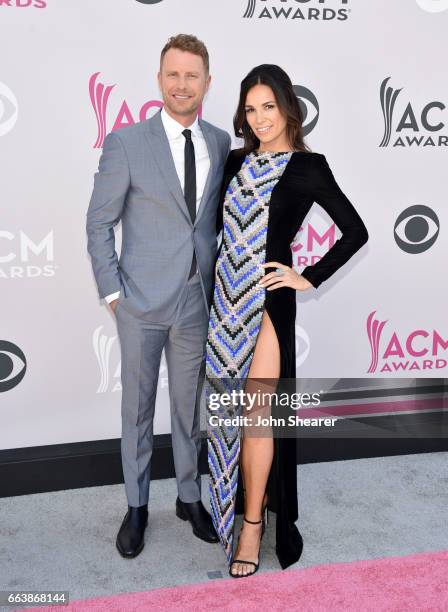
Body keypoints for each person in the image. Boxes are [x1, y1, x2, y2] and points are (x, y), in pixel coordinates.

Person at [205, 64, 369, 577]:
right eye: (251, 110)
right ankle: (226, 507)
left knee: (256, 415)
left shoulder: (308, 167)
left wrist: (307, 276)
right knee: (227, 415)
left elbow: (355, 231)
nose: (259, 119)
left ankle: (252, 524)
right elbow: (212, 231)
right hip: (223, 304)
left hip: (268, 306)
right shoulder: (234, 162)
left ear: (288, 108)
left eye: (268, 107)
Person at [86, 34, 231, 558]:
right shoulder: (126, 142)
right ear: (159, 79)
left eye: (192, 75)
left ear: (207, 83)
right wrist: (112, 293)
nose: (181, 84)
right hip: (139, 304)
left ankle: (190, 497)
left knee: (191, 407)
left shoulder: (218, 142)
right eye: (173, 74)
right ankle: (137, 505)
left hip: (197, 299)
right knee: (138, 410)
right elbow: (98, 223)